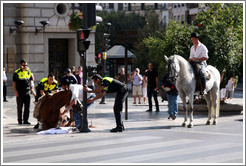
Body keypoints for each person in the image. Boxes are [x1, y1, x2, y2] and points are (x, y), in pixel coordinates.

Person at [13, 59, 34, 125]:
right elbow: (14, 83)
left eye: (26, 65)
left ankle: (26, 120)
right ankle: (20, 120)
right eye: (23, 65)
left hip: (27, 92)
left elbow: (31, 80)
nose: (25, 67)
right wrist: (15, 91)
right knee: (20, 107)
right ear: (20, 65)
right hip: (20, 92)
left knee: (27, 107)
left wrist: (32, 87)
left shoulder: (28, 72)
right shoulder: (17, 72)